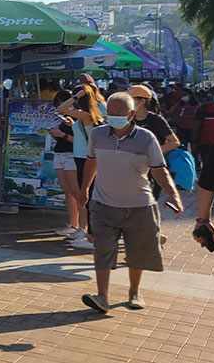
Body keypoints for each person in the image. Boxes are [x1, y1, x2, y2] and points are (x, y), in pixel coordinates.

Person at [79, 92, 182, 313]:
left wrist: (173, 193)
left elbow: (158, 170)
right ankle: (102, 297)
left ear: (132, 114)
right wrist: (84, 189)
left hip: (139, 206)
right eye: (110, 113)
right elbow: (91, 163)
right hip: (103, 204)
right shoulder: (97, 134)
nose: (113, 117)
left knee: (137, 252)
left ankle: (134, 292)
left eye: (119, 114)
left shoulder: (146, 138)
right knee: (102, 250)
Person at [57, 83, 105, 250]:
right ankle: (89, 233)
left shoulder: (86, 115)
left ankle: (91, 235)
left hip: (84, 157)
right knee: (88, 195)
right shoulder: (87, 115)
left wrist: (78, 95)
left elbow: (62, 107)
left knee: (87, 195)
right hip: (83, 156)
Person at [47, 91, 85, 239]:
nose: (59, 109)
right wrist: (55, 134)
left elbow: (81, 141)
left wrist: (62, 135)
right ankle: (73, 225)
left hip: (72, 155)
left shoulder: (81, 118)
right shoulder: (65, 120)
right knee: (68, 192)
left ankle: (83, 227)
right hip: (60, 154)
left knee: (77, 192)